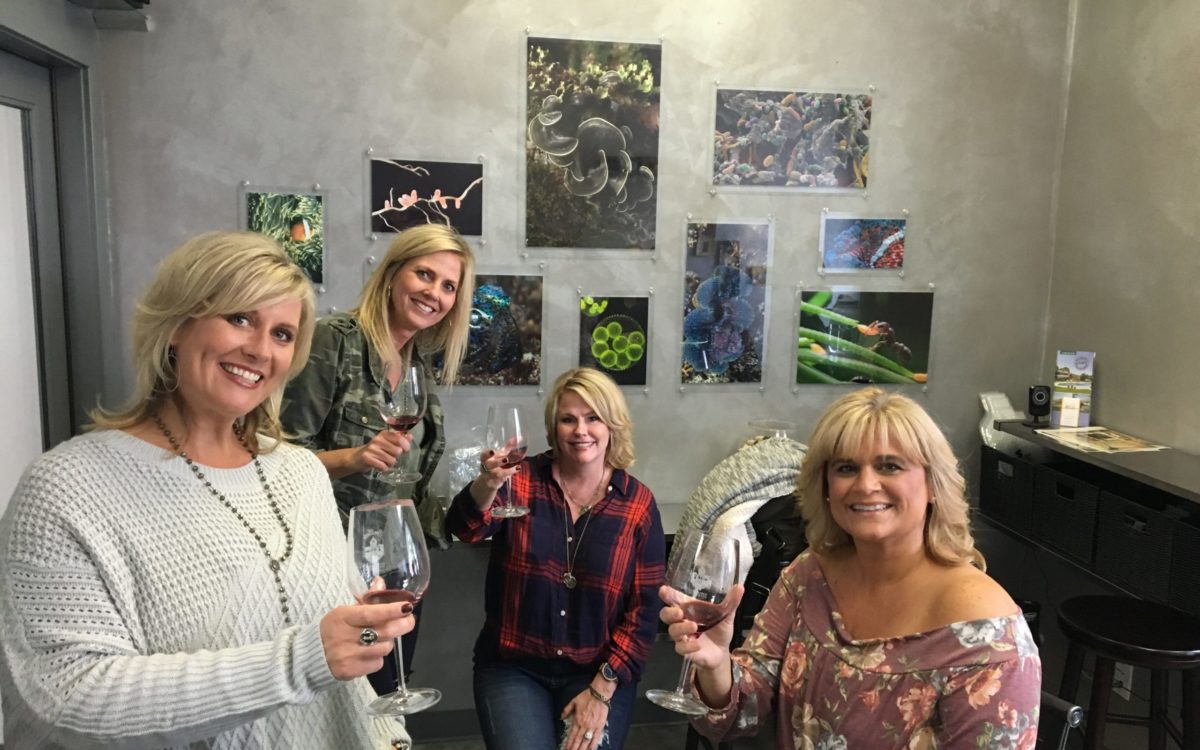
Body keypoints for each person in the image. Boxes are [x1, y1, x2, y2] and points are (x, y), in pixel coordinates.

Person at [0, 232, 415, 750]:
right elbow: (62, 702)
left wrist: (386, 732)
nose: (260, 349)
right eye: (239, 318)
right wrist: (299, 662)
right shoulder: (66, 488)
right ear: (176, 325)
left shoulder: (302, 473)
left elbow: (344, 654)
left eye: (282, 334)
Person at [661, 387, 1042, 749]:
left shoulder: (988, 635)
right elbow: (739, 717)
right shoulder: (810, 575)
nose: (866, 485)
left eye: (889, 466)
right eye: (846, 468)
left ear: (933, 484)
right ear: (825, 488)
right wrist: (716, 664)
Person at [280, 224, 474, 693]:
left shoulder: (416, 363)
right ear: (392, 274)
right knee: (357, 692)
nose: (434, 293)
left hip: (399, 562)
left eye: (449, 286)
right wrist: (356, 457)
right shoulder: (334, 340)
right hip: (337, 563)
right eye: (424, 274)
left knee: (392, 687)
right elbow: (279, 462)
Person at [446, 368, 665, 750]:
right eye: (568, 419)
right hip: (513, 668)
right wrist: (487, 483)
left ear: (612, 424)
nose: (581, 430)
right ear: (553, 427)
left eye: (593, 418)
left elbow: (644, 612)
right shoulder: (519, 480)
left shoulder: (637, 505)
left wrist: (601, 691)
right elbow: (466, 529)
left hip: (597, 672)